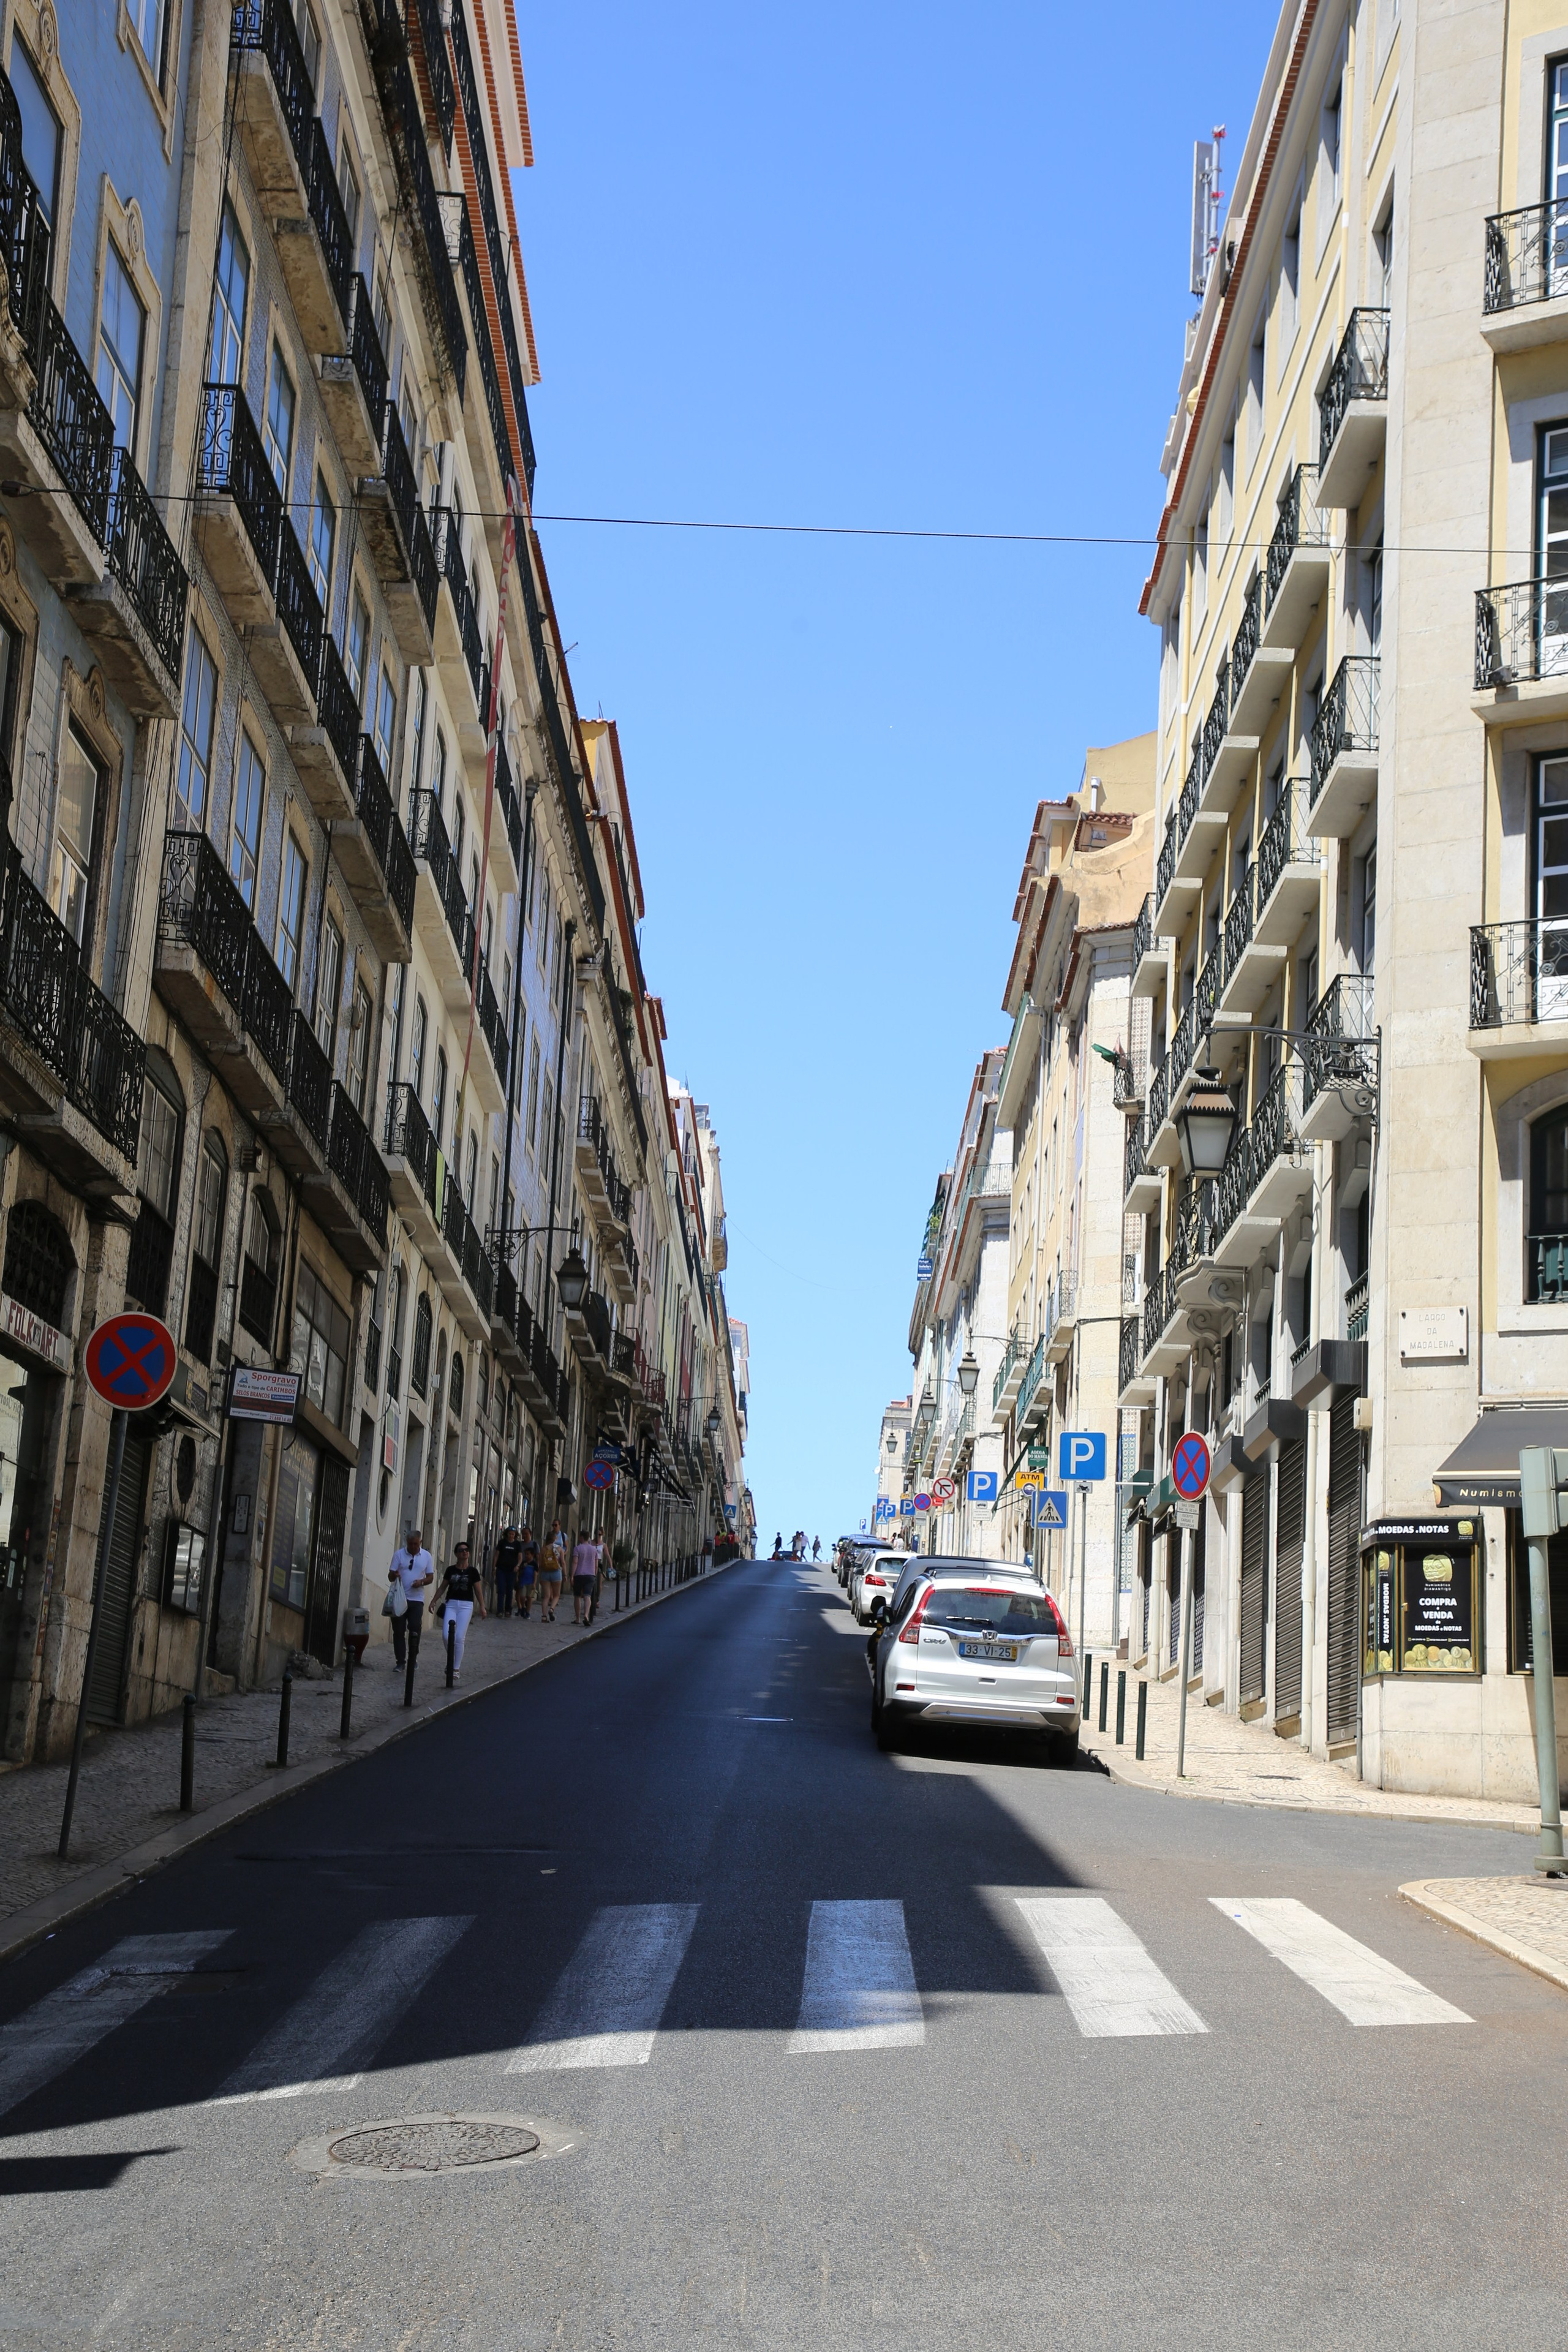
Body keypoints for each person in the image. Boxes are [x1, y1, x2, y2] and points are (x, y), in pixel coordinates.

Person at [434, 1540, 484, 1682]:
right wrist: (433, 1601)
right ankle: (452, 1659)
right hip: (451, 1604)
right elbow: (443, 1587)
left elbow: (478, 1591)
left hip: (466, 1605)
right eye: (462, 1550)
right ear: (457, 1554)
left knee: (459, 1637)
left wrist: (482, 1607)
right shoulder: (451, 1570)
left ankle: (455, 1668)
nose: (465, 1552)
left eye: (467, 1550)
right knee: (446, 1635)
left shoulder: (473, 1572)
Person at [387, 1526, 435, 1673]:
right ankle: (400, 1661)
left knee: (415, 1628)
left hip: (417, 1600)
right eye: (410, 1544)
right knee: (399, 1631)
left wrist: (421, 1582)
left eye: (415, 1544)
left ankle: (413, 1658)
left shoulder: (427, 1556)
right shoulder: (399, 1555)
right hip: (399, 1599)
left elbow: (430, 1577)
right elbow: (390, 1576)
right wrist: (395, 1576)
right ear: (407, 1542)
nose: (413, 1547)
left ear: (420, 1542)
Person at [538, 1520, 567, 1621]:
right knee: (556, 1595)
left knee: (546, 1596)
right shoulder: (559, 1549)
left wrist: (540, 1574)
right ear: (555, 1539)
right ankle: (552, 1609)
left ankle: (544, 1616)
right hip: (556, 1573)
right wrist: (565, 1575)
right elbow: (563, 1562)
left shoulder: (543, 1549)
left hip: (545, 1573)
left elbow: (540, 1563)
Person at [571, 1526, 599, 1624]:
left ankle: (578, 1618)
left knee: (577, 1596)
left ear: (582, 1537)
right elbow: (596, 1565)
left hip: (579, 1575)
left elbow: (575, 1563)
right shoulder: (594, 1550)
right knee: (588, 1596)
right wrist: (594, 1575)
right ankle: (586, 1614)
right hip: (590, 1575)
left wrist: (572, 1576)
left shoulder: (577, 1549)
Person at [494, 1524, 522, 1618]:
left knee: (510, 1590)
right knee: (501, 1590)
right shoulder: (502, 1543)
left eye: (513, 1534)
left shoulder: (517, 1544)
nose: (511, 1536)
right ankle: (500, 1610)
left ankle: (508, 1610)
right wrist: (494, 1567)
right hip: (501, 1569)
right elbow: (497, 1555)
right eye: (510, 1534)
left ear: (515, 1535)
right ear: (507, 1534)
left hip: (512, 1570)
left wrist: (518, 1565)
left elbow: (520, 1557)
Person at [518, 1526, 538, 1619]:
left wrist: (535, 1581)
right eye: (523, 1534)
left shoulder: (534, 1545)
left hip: (531, 1581)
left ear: (530, 1534)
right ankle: (522, 1608)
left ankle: (527, 1612)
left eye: (526, 1534)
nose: (525, 1536)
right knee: (521, 1596)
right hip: (523, 1579)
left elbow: (538, 1558)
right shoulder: (520, 1545)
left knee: (529, 1597)